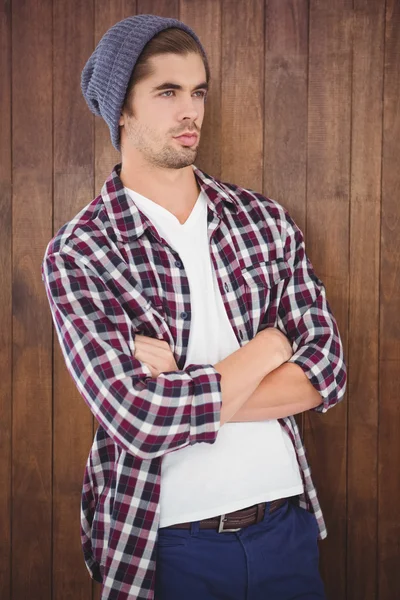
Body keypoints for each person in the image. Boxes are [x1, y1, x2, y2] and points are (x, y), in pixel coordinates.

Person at [42, 14, 346, 600]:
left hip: (286, 528)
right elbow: (138, 418)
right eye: (167, 92)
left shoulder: (264, 221)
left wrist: (178, 389)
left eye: (198, 91)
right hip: (167, 548)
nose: (191, 111)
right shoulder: (81, 252)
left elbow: (326, 372)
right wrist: (269, 348)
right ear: (121, 113)